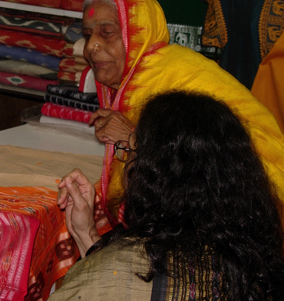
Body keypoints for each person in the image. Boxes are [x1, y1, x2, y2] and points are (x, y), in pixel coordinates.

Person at [52, 90, 284, 301]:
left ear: (151, 177)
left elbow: (109, 283)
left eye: (131, 151)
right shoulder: (254, 266)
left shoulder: (116, 272)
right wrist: (86, 234)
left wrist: (96, 262)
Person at [81, 0, 284, 225]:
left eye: (107, 33)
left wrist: (134, 138)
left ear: (138, 34)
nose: (89, 47)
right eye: (87, 35)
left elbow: (218, 163)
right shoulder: (141, 76)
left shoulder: (175, 76)